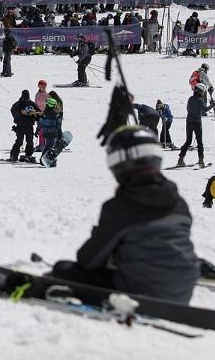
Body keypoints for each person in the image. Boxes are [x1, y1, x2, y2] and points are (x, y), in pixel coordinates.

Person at [52, 124, 200, 303]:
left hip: (139, 292)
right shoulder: (178, 202)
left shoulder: (121, 206)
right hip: (184, 291)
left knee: (63, 269)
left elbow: (88, 259)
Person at [175, 85, 212, 169]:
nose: (203, 93)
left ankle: (180, 159)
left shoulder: (190, 98)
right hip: (197, 122)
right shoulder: (200, 100)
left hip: (189, 121)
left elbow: (188, 108)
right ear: (199, 91)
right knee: (199, 142)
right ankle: (201, 161)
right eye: (203, 92)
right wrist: (212, 105)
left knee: (188, 141)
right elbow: (205, 110)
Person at [9, 90, 39, 163]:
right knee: (19, 141)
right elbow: (13, 110)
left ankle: (28, 155)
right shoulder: (18, 104)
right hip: (20, 125)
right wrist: (20, 115)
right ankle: (14, 155)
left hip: (29, 125)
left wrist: (34, 114)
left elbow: (38, 112)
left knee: (30, 141)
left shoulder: (32, 104)